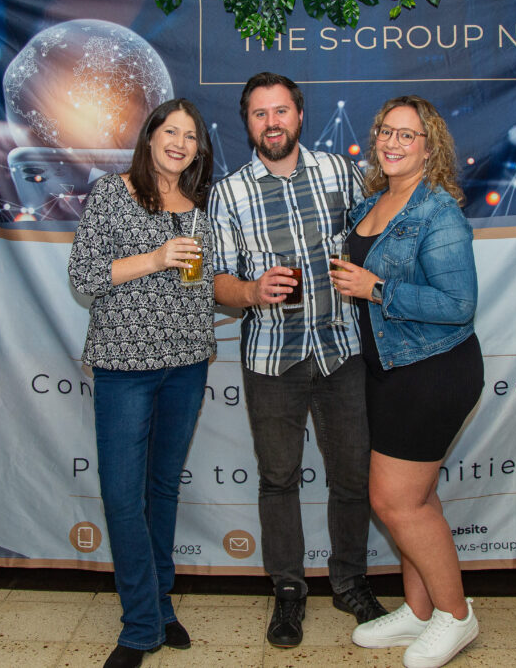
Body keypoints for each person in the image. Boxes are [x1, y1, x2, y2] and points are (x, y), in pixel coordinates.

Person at [209, 72, 388, 648]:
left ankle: (350, 582)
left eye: (280, 111)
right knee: (278, 479)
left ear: (300, 115)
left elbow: (377, 237)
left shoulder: (340, 171)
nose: (272, 123)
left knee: (352, 477)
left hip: (342, 350)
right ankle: (288, 589)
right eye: (260, 114)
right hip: (271, 358)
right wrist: (250, 291)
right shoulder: (228, 193)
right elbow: (216, 280)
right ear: (248, 123)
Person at [330, 96, 483, 668]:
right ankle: (421, 612)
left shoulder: (438, 212)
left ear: (429, 147)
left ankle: (456, 615)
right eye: (386, 132)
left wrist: (376, 289)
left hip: (433, 371)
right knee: (417, 499)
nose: (392, 143)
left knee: (395, 503)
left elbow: (458, 305)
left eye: (407, 135)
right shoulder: (372, 202)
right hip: (389, 370)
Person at [67, 98, 215, 668]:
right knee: (124, 496)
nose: (180, 143)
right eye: (170, 131)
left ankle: (160, 603)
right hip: (125, 366)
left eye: (191, 136)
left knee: (162, 490)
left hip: (187, 364)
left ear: (199, 150)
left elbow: (203, 284)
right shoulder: (112, 192)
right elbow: (84, 276)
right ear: (150, 137)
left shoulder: (199, 206)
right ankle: (139, 627)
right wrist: (154, 258)